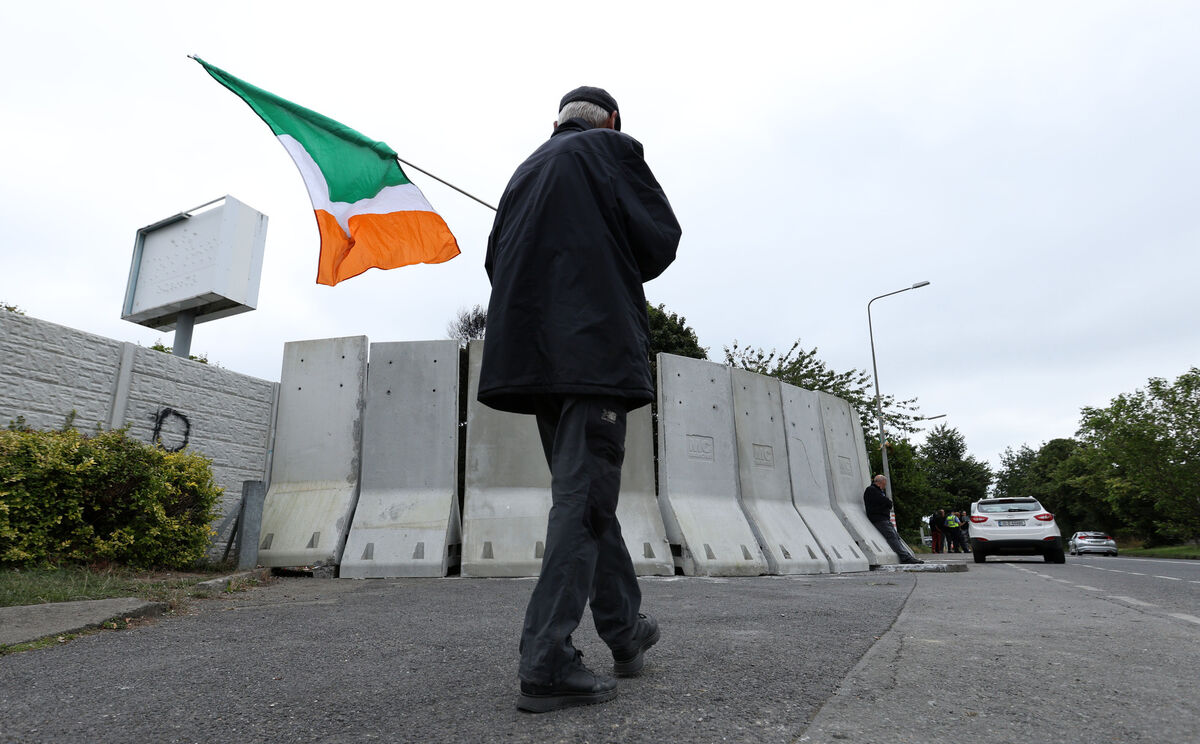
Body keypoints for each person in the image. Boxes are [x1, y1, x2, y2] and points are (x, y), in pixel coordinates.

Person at [478, 86, 681, 713]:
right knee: (584, 500)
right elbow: (659, 241)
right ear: (611, 120)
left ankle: (625, 632)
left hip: (532, 358)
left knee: (588, 497)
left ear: (556, 121)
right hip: (590, 350)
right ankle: (546, 660)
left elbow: (495, 263)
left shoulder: (523, 173)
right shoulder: (611, 150)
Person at [862, 475, 924, 564]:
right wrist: (887, 502)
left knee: (896, 537)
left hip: (883, 518)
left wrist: (886, 502)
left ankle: (906, 556)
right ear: (880, 483)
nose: (884, 486)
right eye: (884, 484)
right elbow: (887, 502)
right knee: (892, 537)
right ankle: (905, 557)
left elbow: (886, 502)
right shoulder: (872, 490)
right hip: (879, 518)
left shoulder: (876, 491)